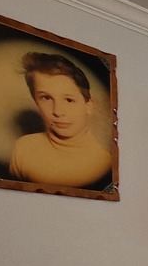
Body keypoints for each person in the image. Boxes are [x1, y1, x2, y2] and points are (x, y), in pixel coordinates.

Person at [8, 52, 113, 187]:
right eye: (46, 98)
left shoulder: (103, 163)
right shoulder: (24, 148)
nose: (57, 111)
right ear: (35, 101)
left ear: (88, 106)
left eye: (69, 100)